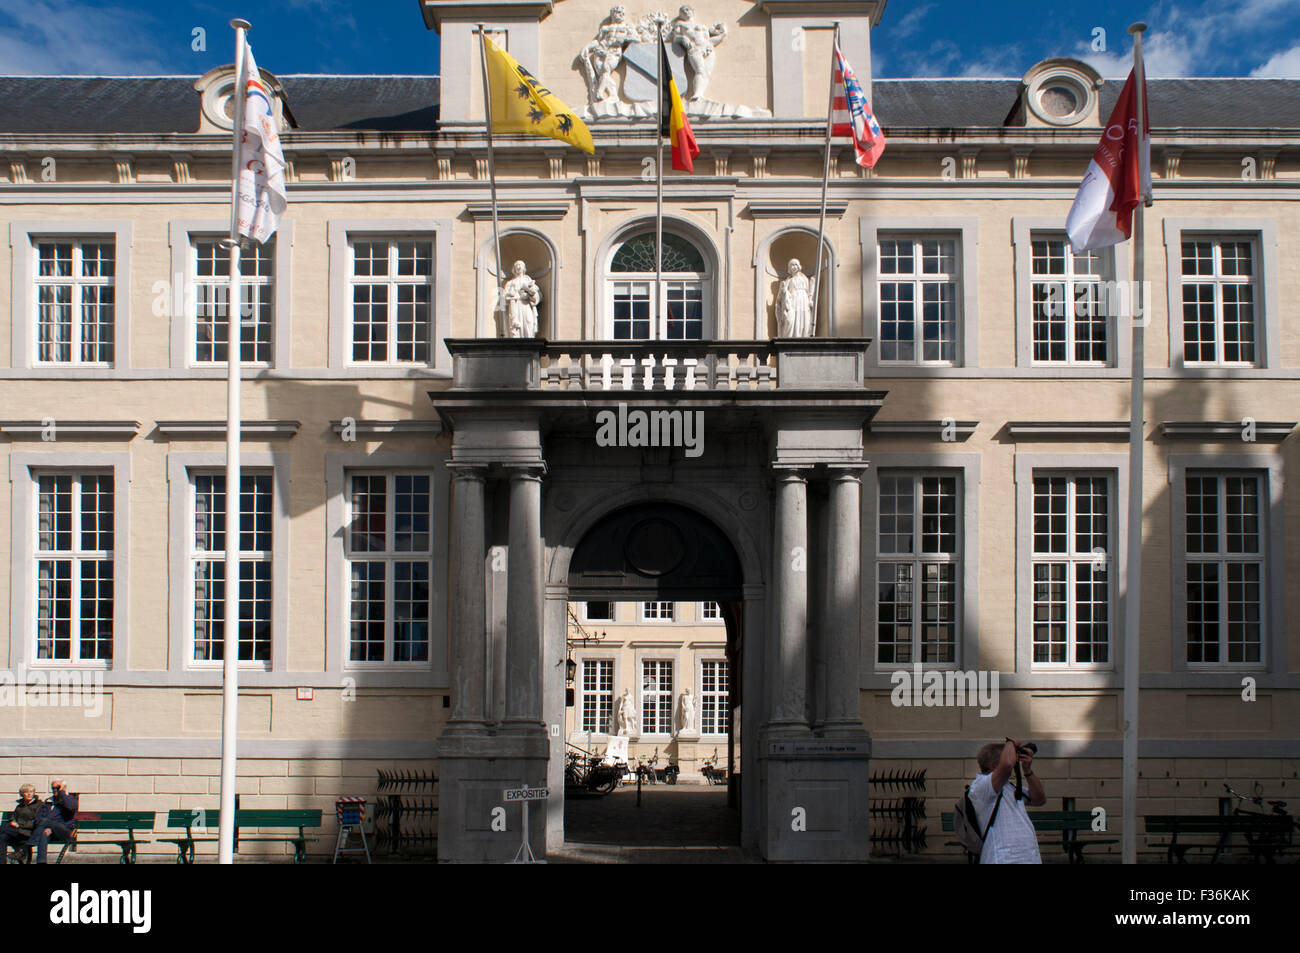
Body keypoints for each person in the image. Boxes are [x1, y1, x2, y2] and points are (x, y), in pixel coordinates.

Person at [968, 739, 1045, 864]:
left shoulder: (1010, 787)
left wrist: (1027, 770)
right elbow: (1007, 765)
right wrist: (1011, 743)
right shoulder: (980, 786)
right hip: (1002, 858)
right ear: (993, 765)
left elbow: (1039, 799)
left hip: (1028, 857)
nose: (1014, 761)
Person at [26, 778, 78, 864]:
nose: (54, 790)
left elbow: (71, 807)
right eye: (52, 788)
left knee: (46, 822)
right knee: (44, 832)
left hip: (64, 831)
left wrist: (62, 793)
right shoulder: (48, 801)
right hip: (50, 831)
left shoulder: (70, 799)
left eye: (57, 787)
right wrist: (48, 828)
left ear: (63, 788)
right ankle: (41, 862)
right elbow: (38, 818)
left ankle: (27, 846)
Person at [0, 784, 42, 864]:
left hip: (28, 832)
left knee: (2, 829)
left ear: (34, 793)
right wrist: (13, 822)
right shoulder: (20, 806)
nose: (29, 794)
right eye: (26, 792)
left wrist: (20, 825)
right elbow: (13, 817)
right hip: (16, 831)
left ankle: (20, 850)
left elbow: (36, 821)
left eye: (31, 792)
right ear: (22, 794)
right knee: (2, 837)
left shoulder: (39, 805)